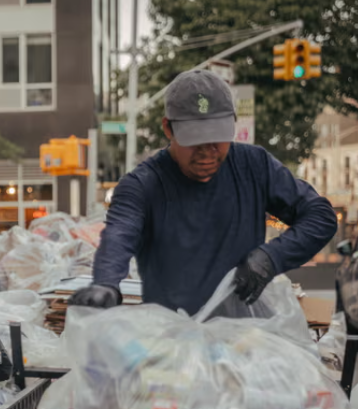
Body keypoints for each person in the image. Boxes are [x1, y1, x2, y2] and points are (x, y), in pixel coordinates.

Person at [72, 69, 338, 314]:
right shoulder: (142, 185)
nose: (207, 153)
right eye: (195, 141)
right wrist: (106, 285)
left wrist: (270, 257)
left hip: (246, 340)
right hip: (174, 339)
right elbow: (120, 235)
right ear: (168, 128)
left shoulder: (254, 166)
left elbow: (320, 216)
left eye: (216, 140)